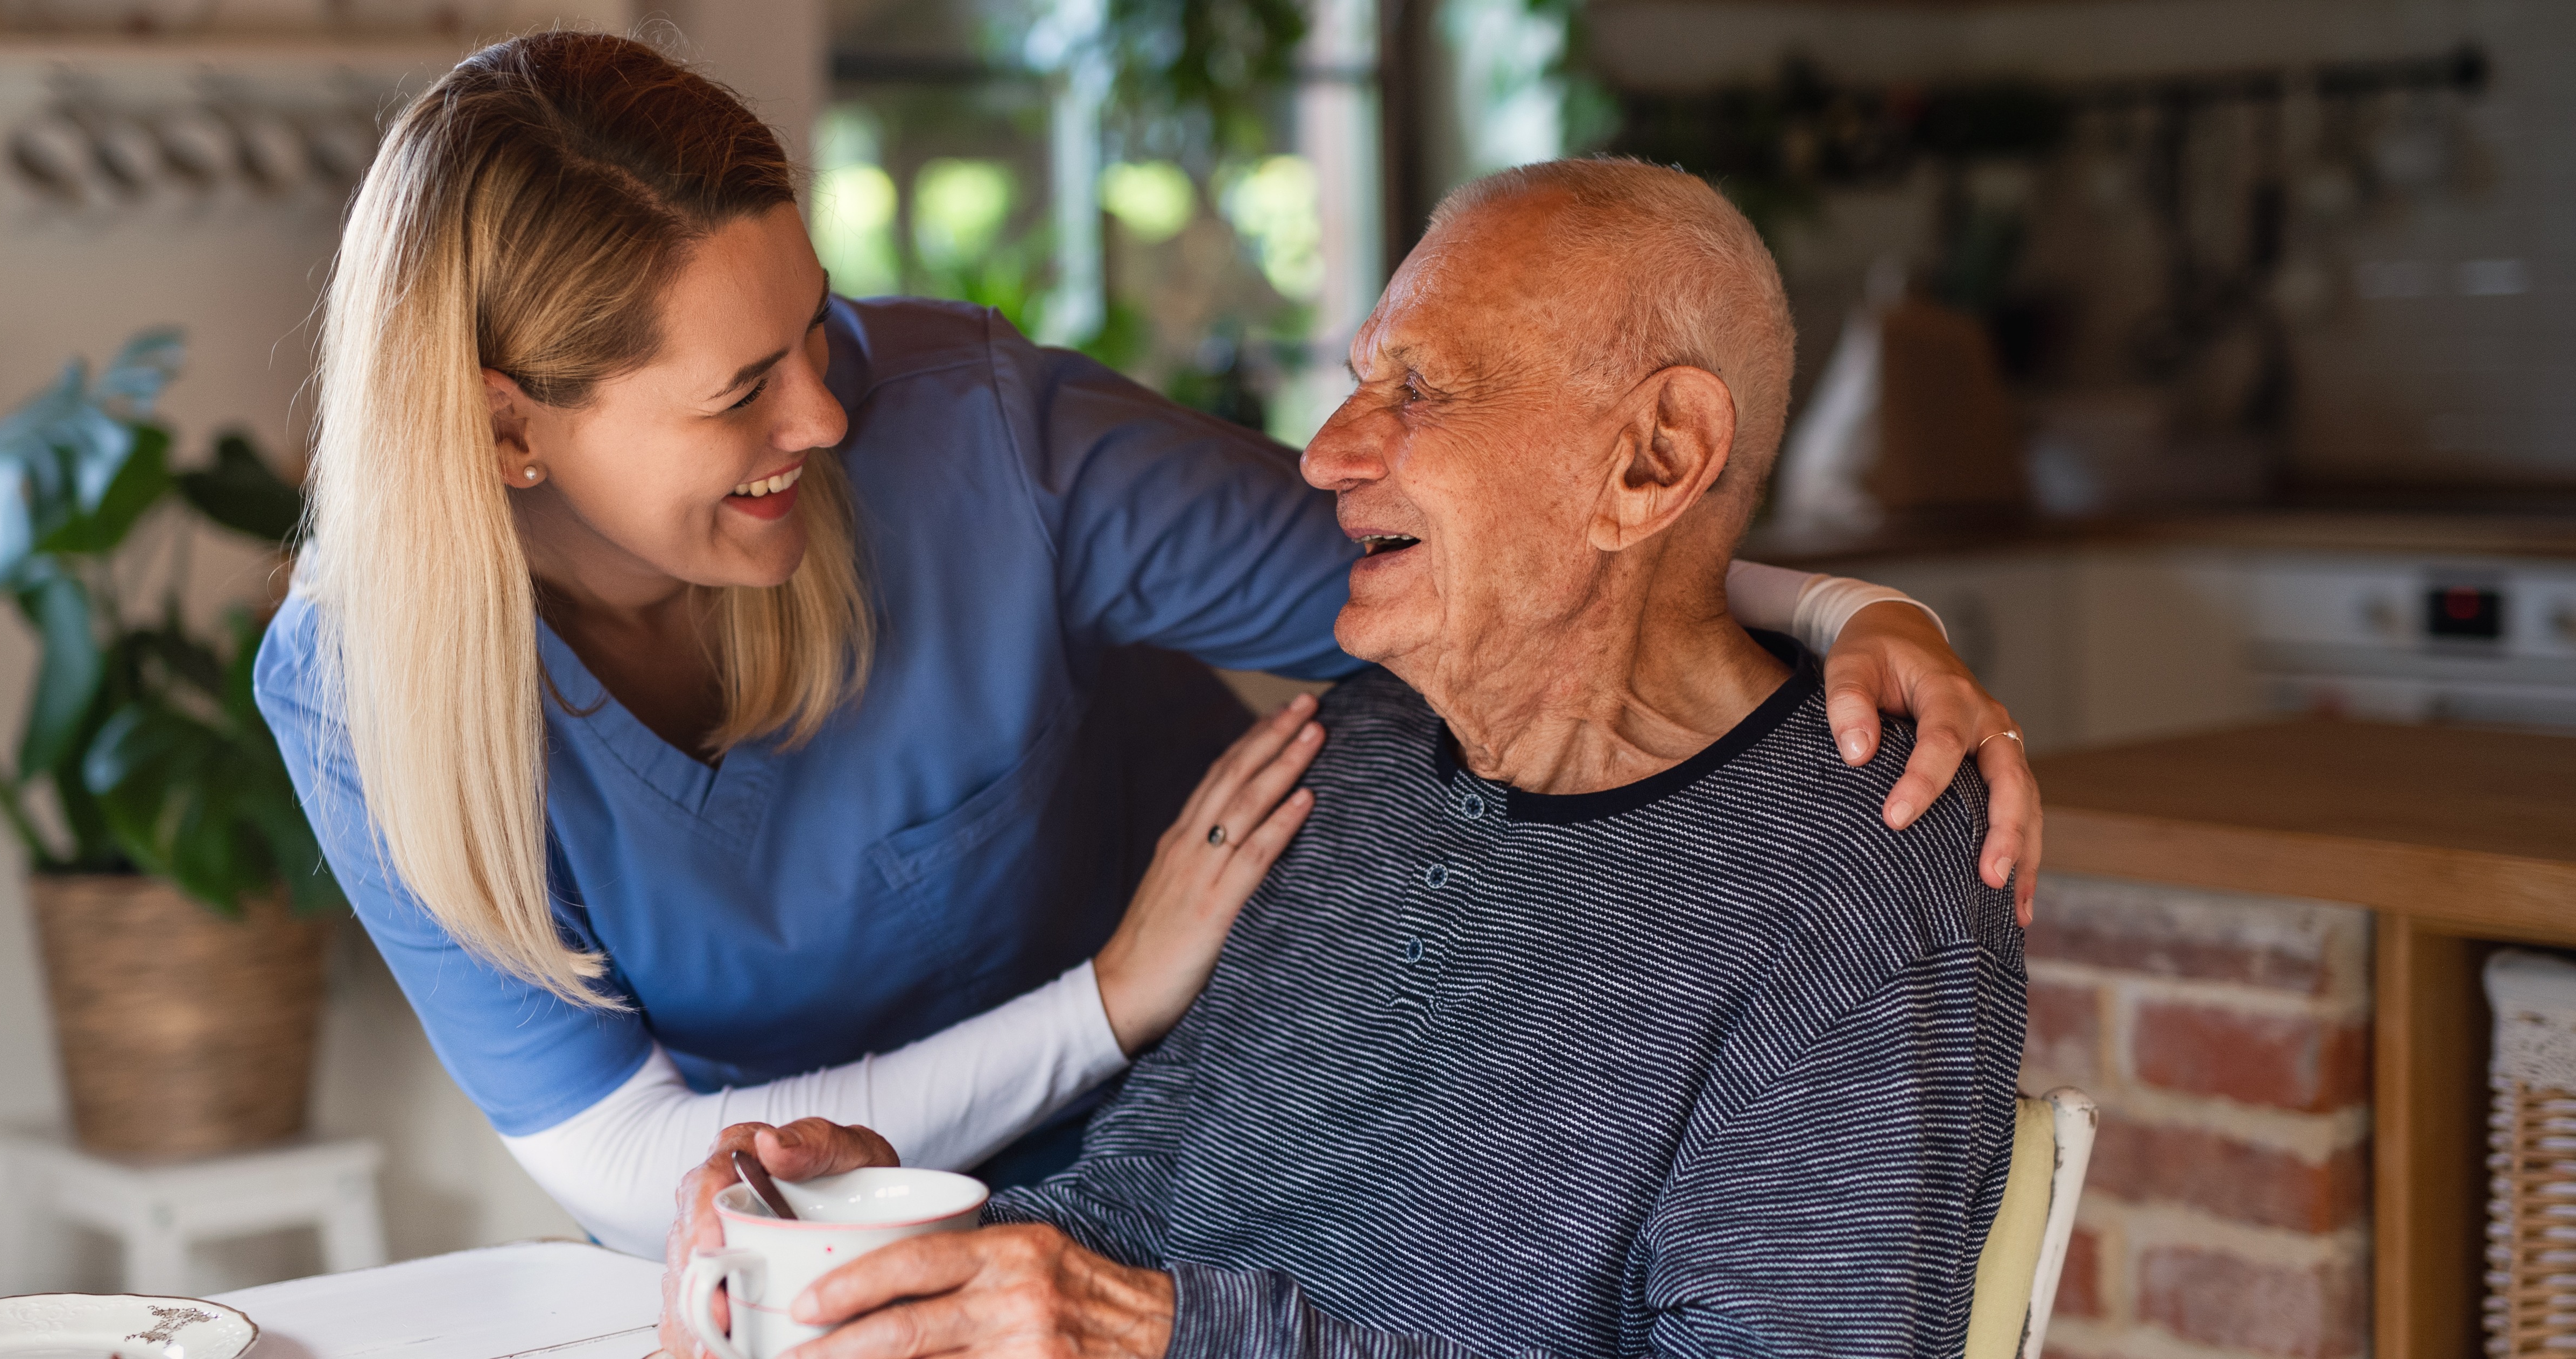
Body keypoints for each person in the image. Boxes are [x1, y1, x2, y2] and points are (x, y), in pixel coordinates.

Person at [255, 31, 2045, 1259]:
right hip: (823, 1241)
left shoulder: (975, 443)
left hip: (1198, 1196)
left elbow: (1493, 564)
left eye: (815, 324)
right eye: (741, 389)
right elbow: (634, 1171)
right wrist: (1108, 994)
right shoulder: (358, 688)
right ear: (506, 429)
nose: (825, 407)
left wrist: (1850, 611)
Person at [666, 158, 2028, 1358]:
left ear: (1653, 460)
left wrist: (1162, 1335)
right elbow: (1133, 1214)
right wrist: (894, 1240)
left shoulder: (1850, 879)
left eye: (1420, 389)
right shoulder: (1357, 748)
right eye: (1360, 380)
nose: (1325, 456)